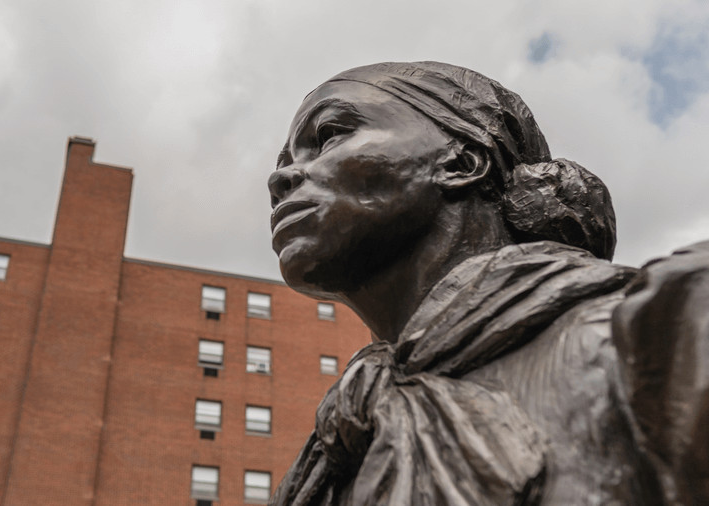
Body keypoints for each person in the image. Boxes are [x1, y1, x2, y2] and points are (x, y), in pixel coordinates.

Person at [267, 61, 709, 505]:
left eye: (329, 135)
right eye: (285, 160)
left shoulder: (668, 333)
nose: (279, 179)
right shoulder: (341, 443)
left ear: (462, 162)